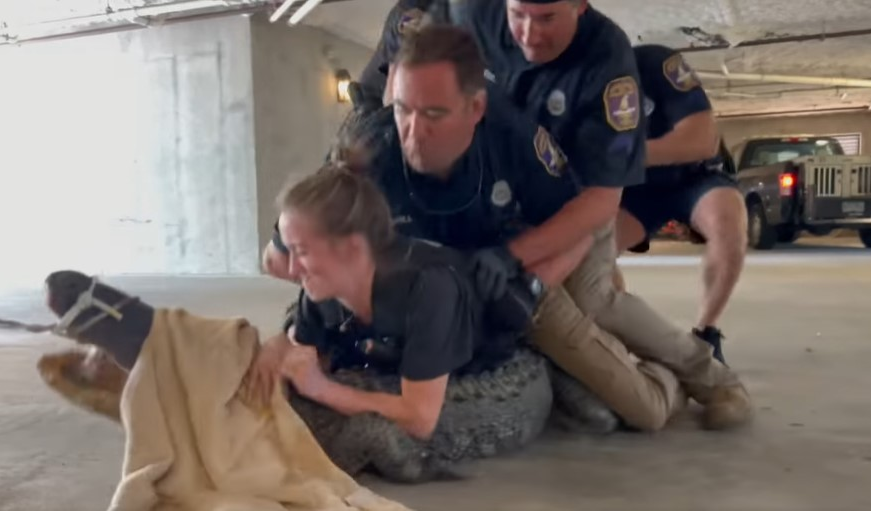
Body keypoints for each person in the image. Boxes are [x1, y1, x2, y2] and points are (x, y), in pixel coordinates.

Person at [264, 24, 751, 431]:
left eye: (434, 114)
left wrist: (531, 281)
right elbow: (288, 253)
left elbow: (580, 227)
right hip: (429, 291)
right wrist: (297, 292)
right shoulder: (369, 147)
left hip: (517, 271)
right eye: (404, 109)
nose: (413, 131)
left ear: (475, 108)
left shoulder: (516, 142)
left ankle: (700, 378)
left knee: (636, 399)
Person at [258, 165, 536, 439]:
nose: (292, 270)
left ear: (352, 248)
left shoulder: (430, 287)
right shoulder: (321, 288)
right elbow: (302, 357)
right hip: (392, 359)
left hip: (492, 367)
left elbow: (420, 419)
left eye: (302, 252)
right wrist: (281, 348)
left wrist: (321, 389)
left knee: (376, 438)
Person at [614, 44, 747, 363]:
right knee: (591, 253)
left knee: (728, 222)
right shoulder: (572, 89)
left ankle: (706, 334)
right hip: (636, 190)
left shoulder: (654, 62)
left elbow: (701, 141)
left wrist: (616, 158)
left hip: (694, 176)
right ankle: (620, 337)